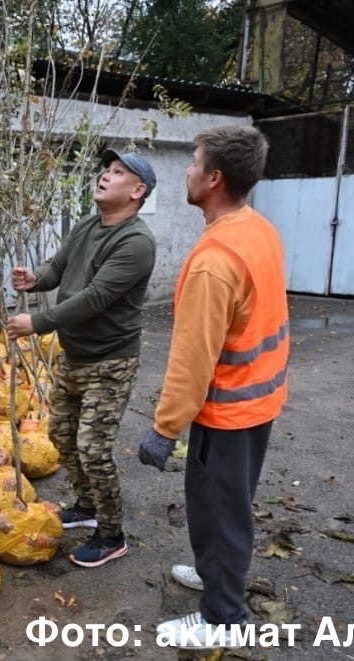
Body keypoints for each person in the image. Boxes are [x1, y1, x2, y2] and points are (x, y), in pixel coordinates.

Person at [137, 125, 289, 649]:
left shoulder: (214, 261)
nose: (186, 169)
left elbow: (192, 358)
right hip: (260, 398)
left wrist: (165, 429)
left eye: (193, 162)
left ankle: (224, 617)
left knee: (219, 511)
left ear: (214, 178)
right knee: (232, 504)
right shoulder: (257, 229)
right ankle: (216, 572)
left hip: (227, 410)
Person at [5, 149, 157, 568]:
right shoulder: (88, 225)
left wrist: (37, 322)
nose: (105, 176)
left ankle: (111, 534)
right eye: (106, 170)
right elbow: (57, 270)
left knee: (93, 447)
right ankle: (87, 505)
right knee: (60, 435)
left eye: (118, 172)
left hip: (111, 360)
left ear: (137, 191)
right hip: (75, 354)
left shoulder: (136, 242)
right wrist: (35, 279)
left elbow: (95, 298)